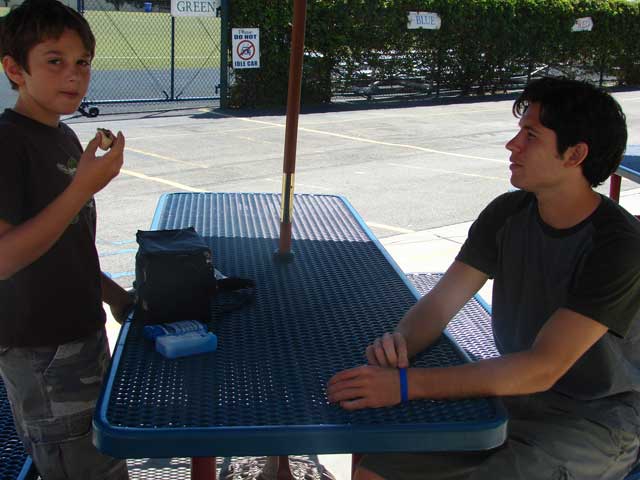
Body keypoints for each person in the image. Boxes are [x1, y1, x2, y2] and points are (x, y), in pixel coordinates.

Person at [327, 77, 640, 480]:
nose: (512, 145)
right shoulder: (507, 214)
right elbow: (440, 305)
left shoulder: (617, 246)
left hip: (594, 419)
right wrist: (401, 344)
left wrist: (405, 385)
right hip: (510, 393)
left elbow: (543, 367)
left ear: (575, 154)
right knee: (377, 469)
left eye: (531, 135)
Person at [0, 0, 132, 477]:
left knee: (105, 460)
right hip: (41, 352)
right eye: (54, 61)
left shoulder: (63, 137)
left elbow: (67, 244)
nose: (73, 75)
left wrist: (114, 295)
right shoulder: (8, 143)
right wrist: (82, 188)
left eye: (83, 62)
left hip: (83, 333)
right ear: (15, 70)